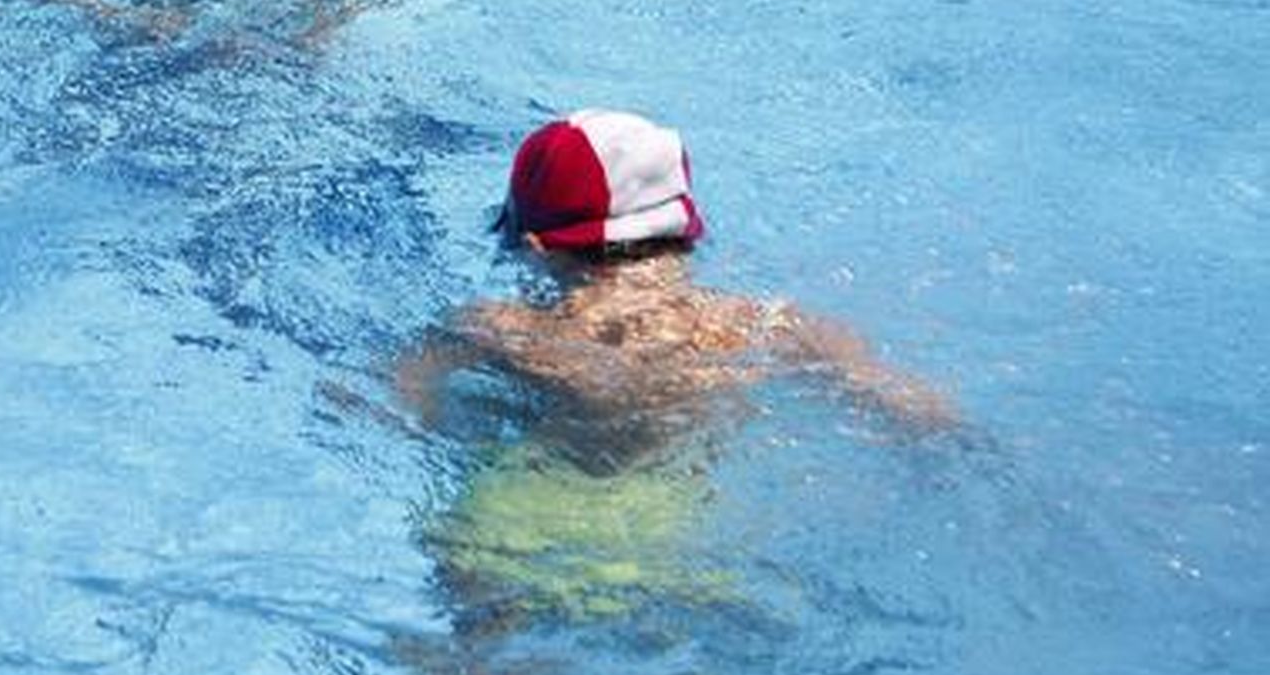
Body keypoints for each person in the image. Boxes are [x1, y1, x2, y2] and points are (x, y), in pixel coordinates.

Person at [397, 108, 958, 439]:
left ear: (539, 246)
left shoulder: (501, 329)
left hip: (543, 522)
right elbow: (923, 414)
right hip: (694, 533)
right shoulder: (772, 326)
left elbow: (391, 398)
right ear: (684, 223)